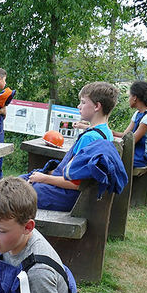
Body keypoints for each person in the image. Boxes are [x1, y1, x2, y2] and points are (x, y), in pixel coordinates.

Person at [25, 81, 118, 211]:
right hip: (76, 195)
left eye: (83, 102)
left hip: (67, 197)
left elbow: (76, 183)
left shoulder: (90, 138)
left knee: (17, 191)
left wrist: (45, 178)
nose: (79, 106)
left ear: (97, 106)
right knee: (23, 182)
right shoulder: (106, 133)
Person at [113, 81, 147, 169]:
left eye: (129, 96)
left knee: (109, 160)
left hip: (140, 158)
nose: (128, 99)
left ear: (135, 98)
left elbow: (131, 141)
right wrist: (111, 132)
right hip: (134, 153)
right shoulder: (137, 113)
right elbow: (126, 135)